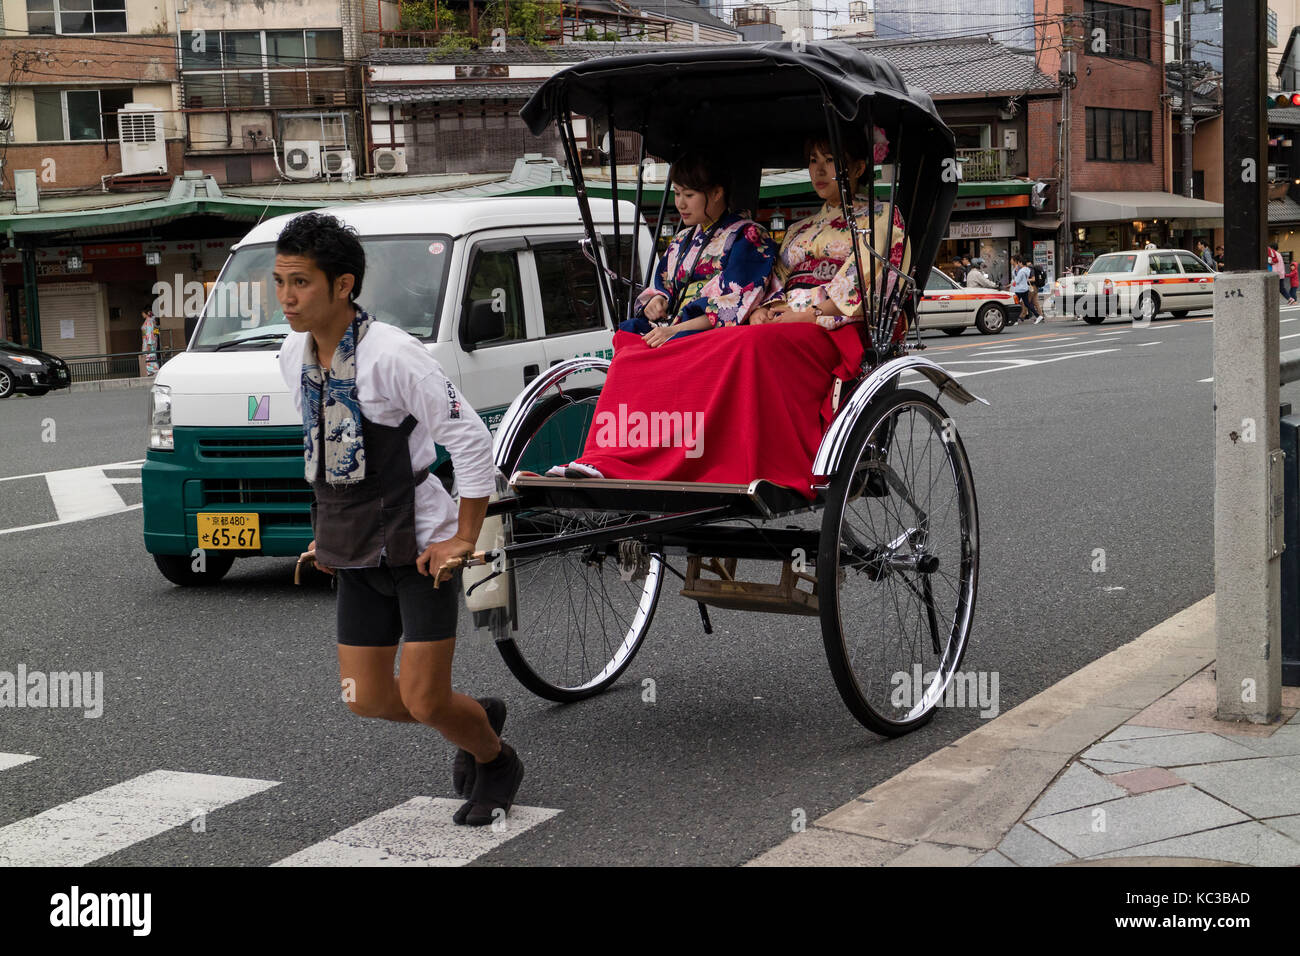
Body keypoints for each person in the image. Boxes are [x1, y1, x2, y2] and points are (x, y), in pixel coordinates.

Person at [274, 212, 523, 827]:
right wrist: (324, 532)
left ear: (343, 286)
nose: (286, 297)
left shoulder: (393, 356)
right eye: (279, 281)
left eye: (300, 282)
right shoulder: (291, 354)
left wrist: (465, 536)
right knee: (367, 699)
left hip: (419, 545)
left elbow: (468, 439)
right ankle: (474, 715)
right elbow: (330, 450)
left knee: (423, 696)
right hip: (353, 546)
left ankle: (494, 757)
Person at [749, 127, 908, 331]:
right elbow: (777, 278)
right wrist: (764, 309)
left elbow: (866, 277)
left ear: (858, 169)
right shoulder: (799, 228)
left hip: (835, 323)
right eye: (814, 160)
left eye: (830, 160)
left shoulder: (881, 216)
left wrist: (812, 313)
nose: (819, 170)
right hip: (788, 317)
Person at [627, 152, 776, 348]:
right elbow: (662, 286)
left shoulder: (747, 235)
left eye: (689, 195)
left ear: (716, 193)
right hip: (672, 326)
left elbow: (736, 304)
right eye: (677, 193)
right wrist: (657, 301)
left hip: (710, 336)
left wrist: (674, 331)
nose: (680, 204)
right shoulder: (681, 239)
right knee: (626, 341)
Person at [1008, 254, 1042, 325]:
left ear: (1019, 262)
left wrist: (1009, 285)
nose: (1010, 261)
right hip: (1024, 289)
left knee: (1015, 303)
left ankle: (1015, 320)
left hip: (1019, 289)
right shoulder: (1024, 270)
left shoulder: (1021, 271)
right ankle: (1038, 316)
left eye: (1011, 259)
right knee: (1027, 303)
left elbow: (1017, 281)